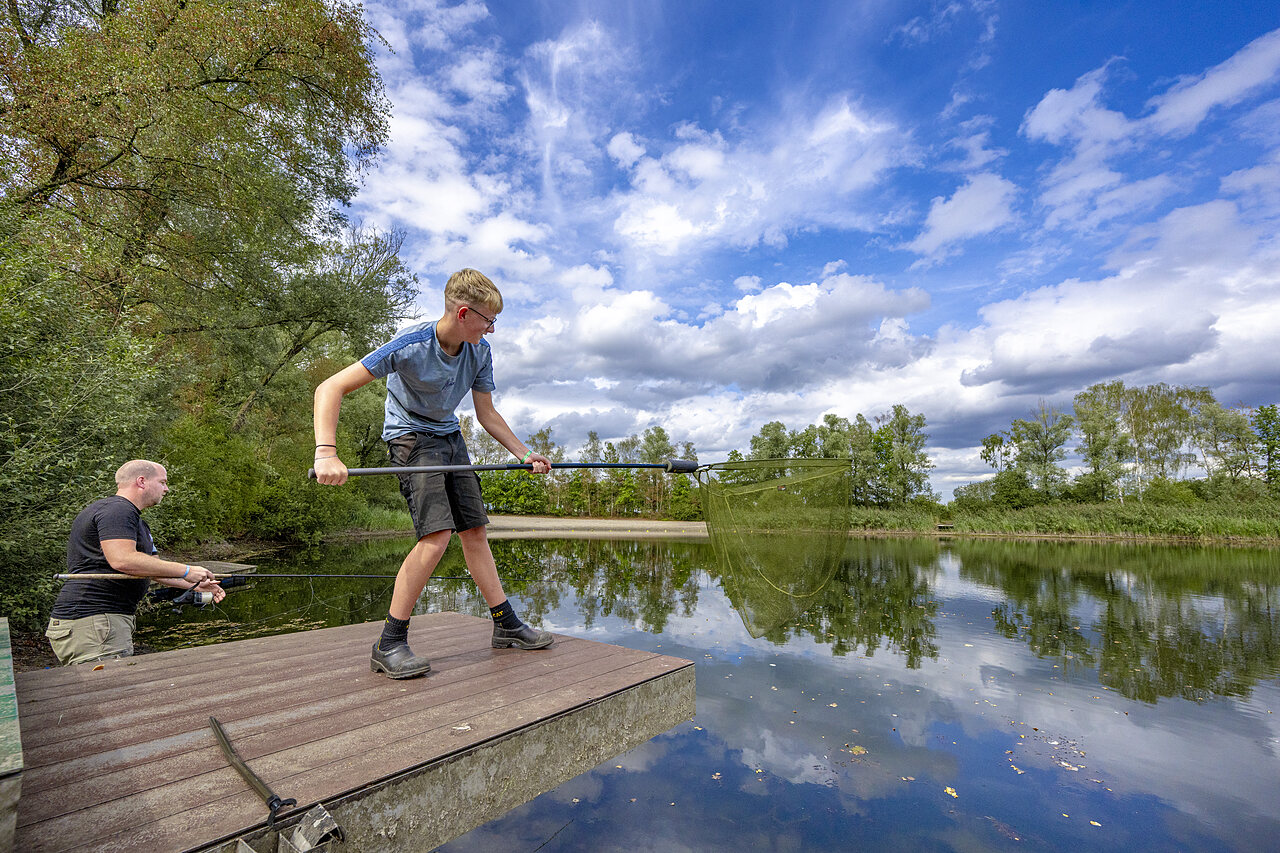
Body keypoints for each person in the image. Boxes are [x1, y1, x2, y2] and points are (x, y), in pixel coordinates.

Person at [313, 268, 554, 679]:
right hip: (410, 438)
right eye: (489, 320)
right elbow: (329, 387)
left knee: (474, 530)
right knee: (437, 534)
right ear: (464, 313)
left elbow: (486, 414)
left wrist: (523, 452)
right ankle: (389, 643)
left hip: (448, 437)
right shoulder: (409, 345)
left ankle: (505, 625)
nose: (492, 330)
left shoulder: (479, 353)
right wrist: (326, 452)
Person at [46, 460, 225, 665]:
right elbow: (122, 559)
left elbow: (153, 569)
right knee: (108, 692)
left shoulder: (136, 521)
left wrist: (194, 584)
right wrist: (186, 570)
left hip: (104, 621)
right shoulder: (118, 510)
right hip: (93, 619)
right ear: (142, 481)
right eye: (163, 482)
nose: (166, 489)